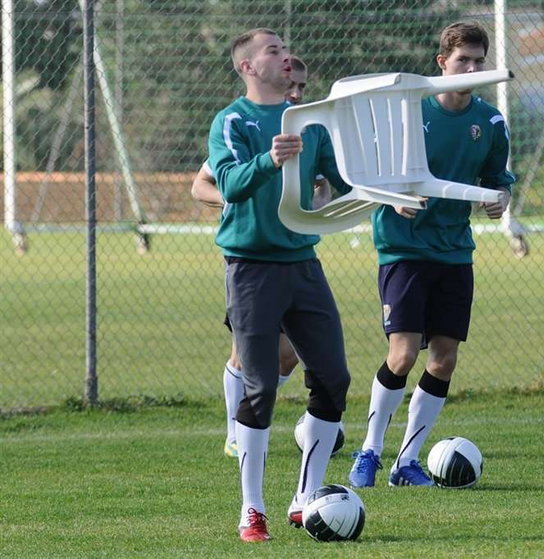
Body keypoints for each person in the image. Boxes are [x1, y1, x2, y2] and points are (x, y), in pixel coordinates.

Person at [347, 21, 514, 488]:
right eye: (464, 60)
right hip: (403, 248)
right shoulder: (408, 112)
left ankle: (407, 461)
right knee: (401, 354)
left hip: (455, 251)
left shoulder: (491, 121)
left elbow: (498, 181)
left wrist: (498, 199)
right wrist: (390, 196)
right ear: (442, 63)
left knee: (443, 359)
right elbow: (365, 176)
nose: (472, 68)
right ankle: (369, 451)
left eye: (479, 61)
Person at [207, 28, 351, 541]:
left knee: (333, 378)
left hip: (303, 263)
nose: (285, 55)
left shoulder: (311, 122)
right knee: (261, 386)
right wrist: (269, 159)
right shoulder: (232, 120)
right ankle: (252, 509)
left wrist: (391, 193)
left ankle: (304, 497)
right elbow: (226, 184)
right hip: (250, 267)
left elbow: (345, 178)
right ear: (247, 66)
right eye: (272, 50)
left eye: (286, 47)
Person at [191, 54, 330, 460]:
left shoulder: (309, 129)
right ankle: (236, 430)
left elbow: (324, 187)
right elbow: (201, 186)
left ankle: (254, 412)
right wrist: (237, 204)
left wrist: (318, 204)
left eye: (304, 88)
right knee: (246, 353)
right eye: (294, 85)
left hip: (295, 255)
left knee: (288, 355)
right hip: (251, 256)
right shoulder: (246, 126)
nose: (297, 93)